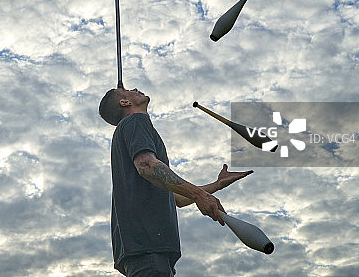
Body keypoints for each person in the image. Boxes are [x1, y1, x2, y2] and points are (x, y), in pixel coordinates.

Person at [99, 86, 253, 276]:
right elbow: (146, 165)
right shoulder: (135, 121)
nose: (136, 89)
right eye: (129, 90)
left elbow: (177, 199)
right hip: (149, 250)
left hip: (147, 253)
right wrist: (199, 195)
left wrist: (216, 185)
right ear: (125, 102)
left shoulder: (127, 130)